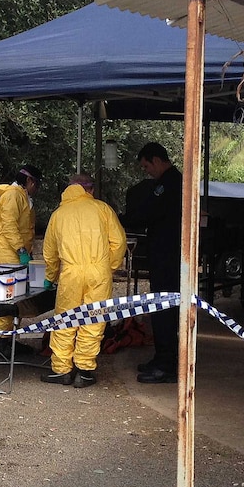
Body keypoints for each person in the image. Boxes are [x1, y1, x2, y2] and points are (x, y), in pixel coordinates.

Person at [40, 173, 127, 388]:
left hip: (70, 273)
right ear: (91, 190)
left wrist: (51, 277)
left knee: (64, 320)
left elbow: (50, 253)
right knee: (93, 319)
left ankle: (62, 370)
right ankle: (85, 371)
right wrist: (109, 267)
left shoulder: (58, 214)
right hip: (98, 272)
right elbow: (119, 242)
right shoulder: (102, 209)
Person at [121, 142, 182, 384]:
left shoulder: (168, 184)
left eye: (147, 166)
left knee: (165, 309)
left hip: (168, 255)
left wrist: (121, 219)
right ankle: (162, 356)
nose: (147, 171)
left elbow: (147, 212)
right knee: (158, 307)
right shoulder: (167, 182)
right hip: (163, 253)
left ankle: (167, 364)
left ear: (156, 160)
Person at [0, 164, 42, 358]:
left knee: (15, 295)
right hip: (7, 249)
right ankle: (2, 344)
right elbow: (9, 225)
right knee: (7, 295)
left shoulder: (22, 196)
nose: (37, 188)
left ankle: (9, 340)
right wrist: (21, 249)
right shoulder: (13, 195)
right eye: (37, 184)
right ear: (29, 181)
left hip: (15, 250)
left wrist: (26, 251)